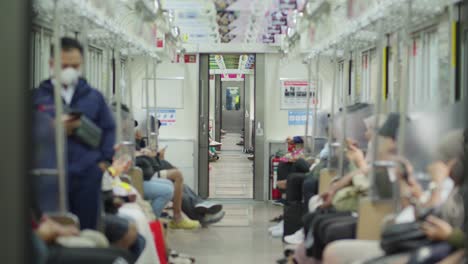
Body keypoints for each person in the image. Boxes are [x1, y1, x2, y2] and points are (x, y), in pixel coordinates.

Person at [33, 37, 116, 230]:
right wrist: (51, 127)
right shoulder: (38, 97)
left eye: (75, 65)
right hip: (49, 175)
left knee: (87, 229)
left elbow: (109, 129)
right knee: (54, 229)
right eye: (64, 65)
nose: (70, 69)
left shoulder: (94, 97)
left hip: (86, 174)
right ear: (52, 64)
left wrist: (103, 163)